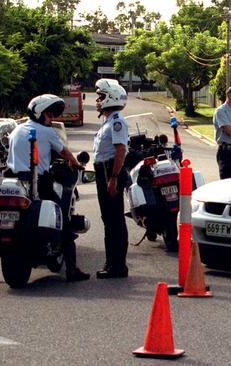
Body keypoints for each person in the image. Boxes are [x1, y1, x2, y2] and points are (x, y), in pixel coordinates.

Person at [0, 94, 89, 283]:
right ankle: (72, 269)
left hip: (11, 181)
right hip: (37, 181)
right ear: (40, 113)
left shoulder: (16, 130)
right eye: (50, 114)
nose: (52, 118)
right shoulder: (47, 132)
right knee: (62, 217)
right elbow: (64, 152)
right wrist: (76, 164)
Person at [93, 78, 130, 279]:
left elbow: (120, 150)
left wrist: (114, 178)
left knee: (114, 219)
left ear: (111, 97)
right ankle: (111, 263)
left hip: (110, 171)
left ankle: (118, 266)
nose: (98, 101)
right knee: (108, 219)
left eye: (101, 97)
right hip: (103, 171)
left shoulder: (117, 122)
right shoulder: (108, 121)